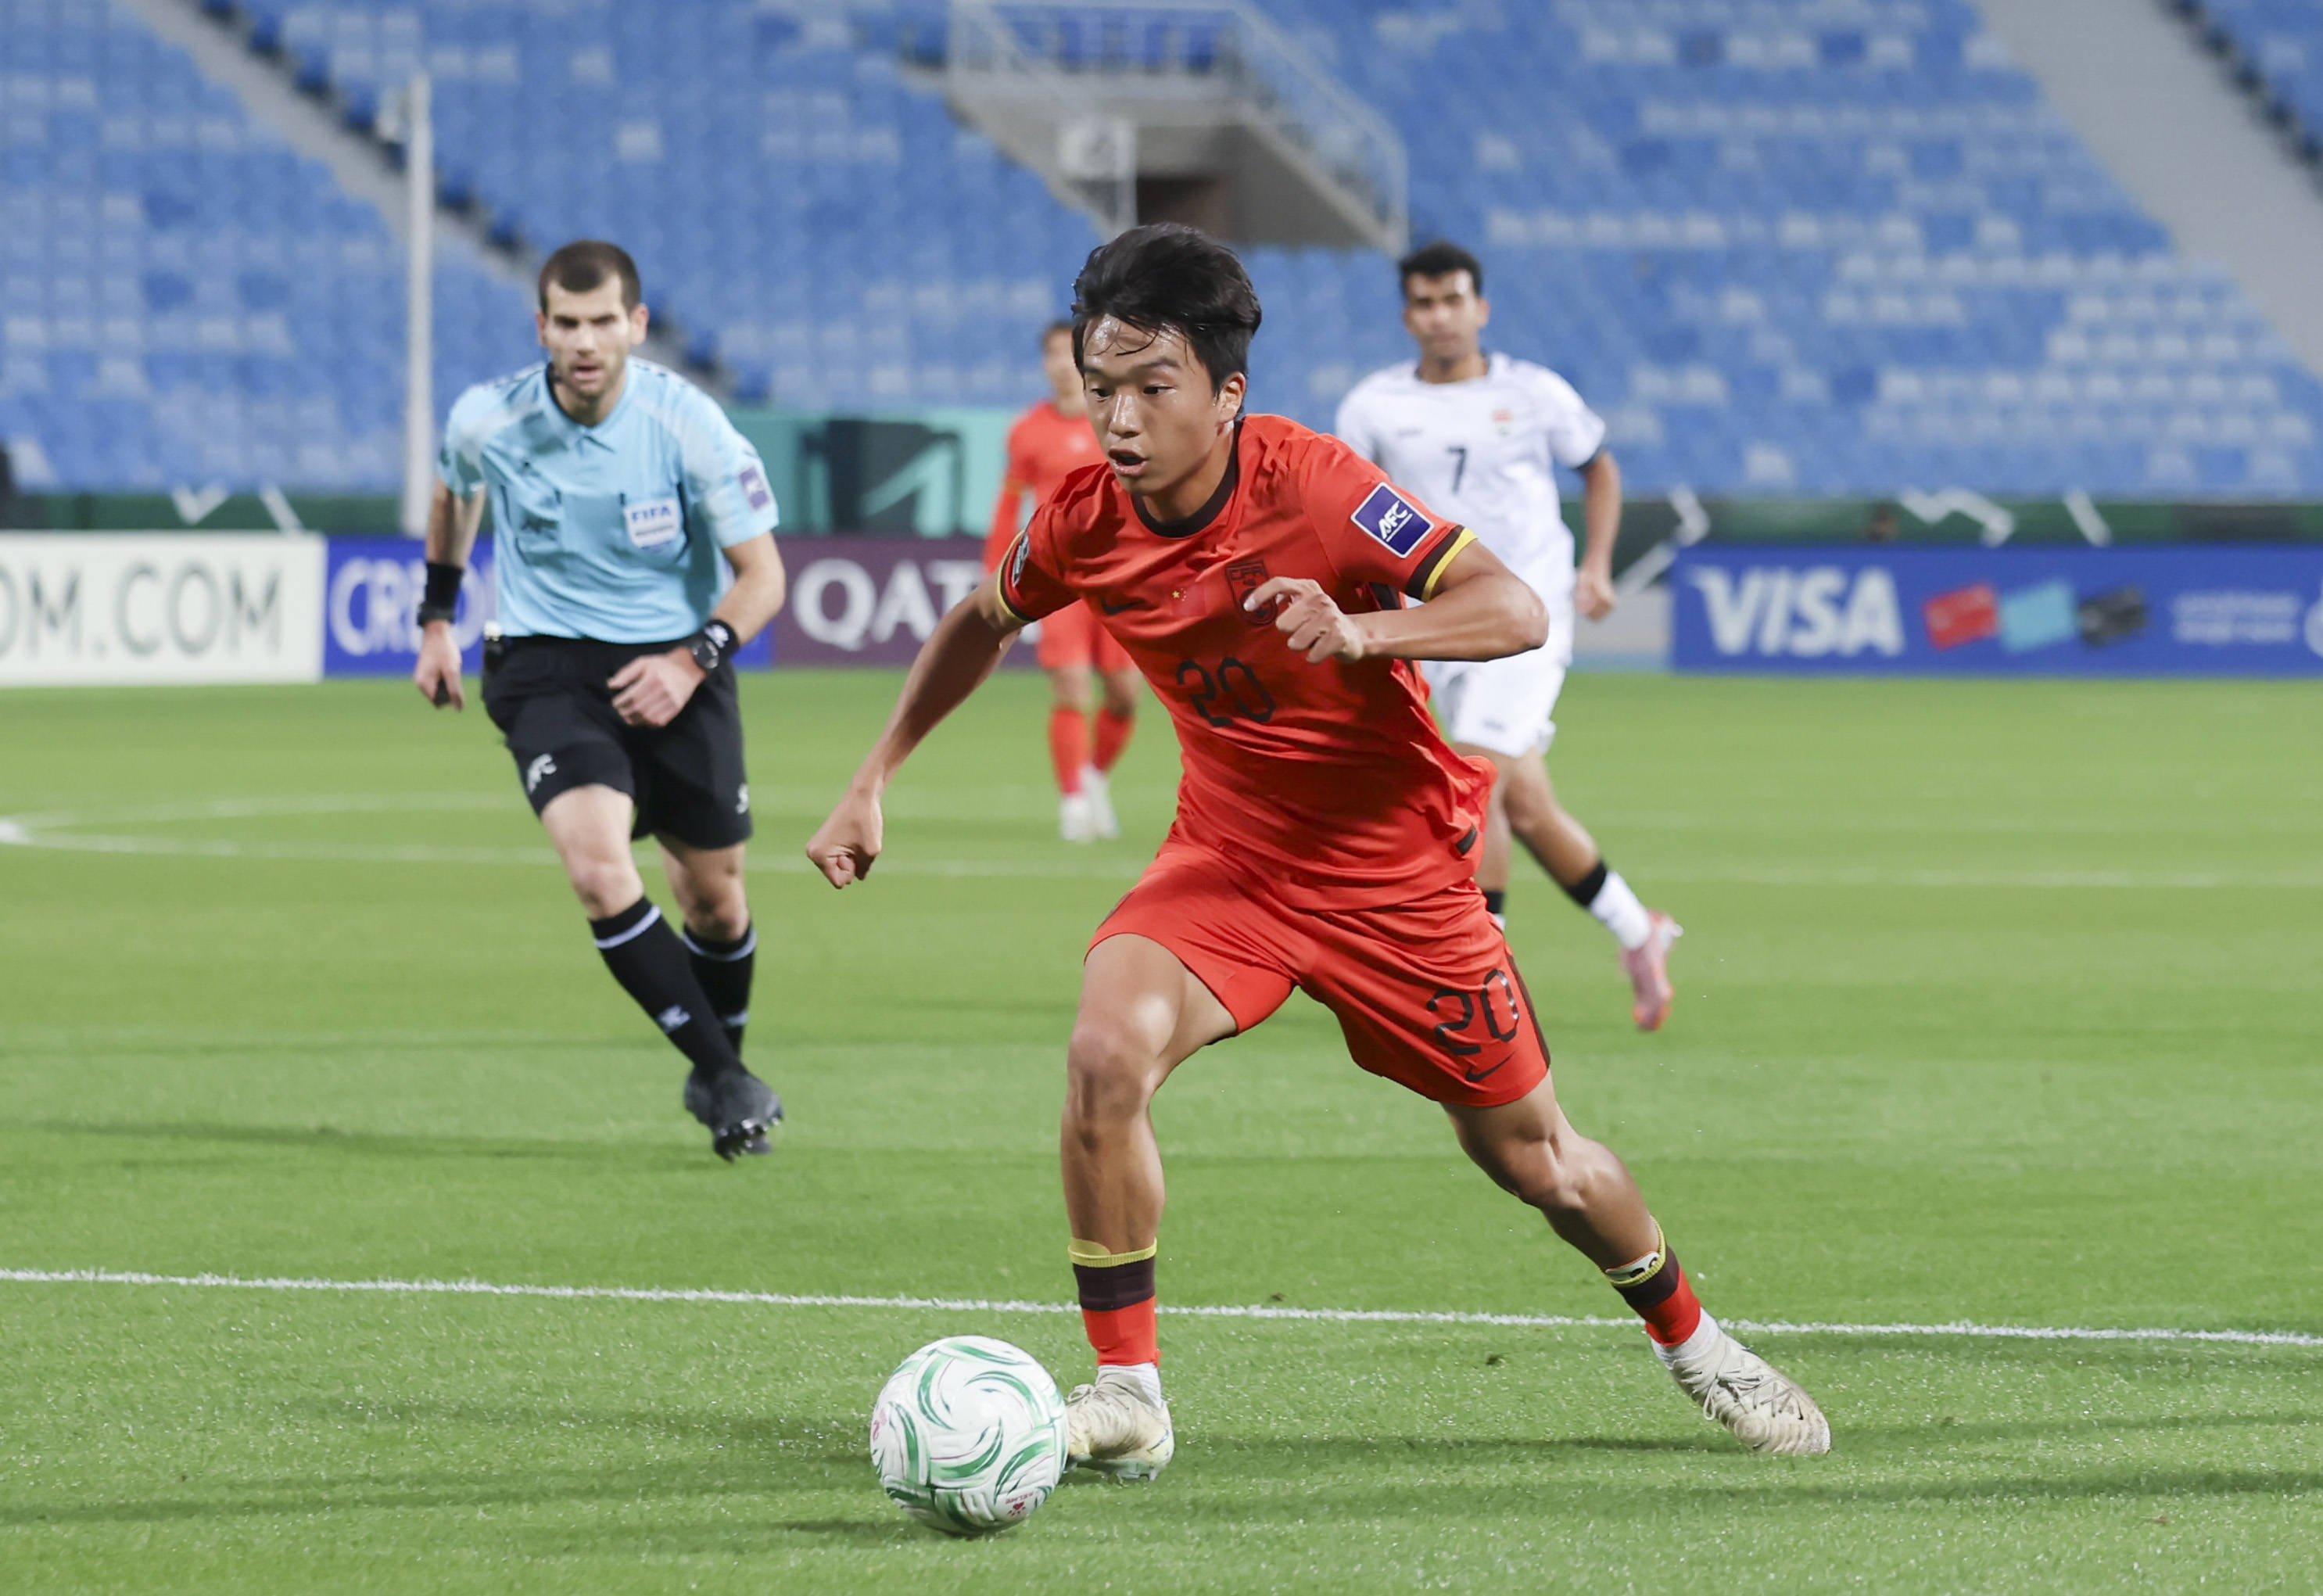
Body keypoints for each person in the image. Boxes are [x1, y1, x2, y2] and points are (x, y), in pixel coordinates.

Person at [808, 224, 1829, 1473]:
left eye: (1150, 387)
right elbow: (980, 619)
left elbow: (1510, 606)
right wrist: (870, 781)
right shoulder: (1082, 517)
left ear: (1228, 393)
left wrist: (1362, 632)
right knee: (1100, 1051)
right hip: (1227, 863)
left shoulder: (1316, 485)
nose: (1116, 418)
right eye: (1097, 384)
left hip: (1392, 878)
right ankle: (1127, 1388)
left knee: (1537, 1161)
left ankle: (1699, 1345)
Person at [414, 239, 789, 1160]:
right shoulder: (484, 419)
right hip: (546, 666)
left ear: (636, 325)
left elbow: (763, 578)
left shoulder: (689, 425)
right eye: (566, 323)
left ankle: (719, 1073)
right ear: (541, 326)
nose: (585, 341)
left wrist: (691, 660)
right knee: (596, 868)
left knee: (715, 900)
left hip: (679, 659)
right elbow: (454, 497)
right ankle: (730, 1076)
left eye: (602, 322)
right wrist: (436, 617)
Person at [1336, 241, 1683, 1031]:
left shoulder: (1534, 394)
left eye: (1454, 300)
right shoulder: (1372, 407)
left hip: (1526, 614)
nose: (1440, 316)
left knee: (1479, 773)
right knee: (1522, 801)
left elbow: (1598, 468)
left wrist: (1594, 565)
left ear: (1480, 308)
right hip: (1432, 619)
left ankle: (1478, 964)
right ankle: (1639, 929)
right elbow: (1352, 509)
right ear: (1407, 315)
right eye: (1425, 303)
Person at [985, 321, 1139, 841]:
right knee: (1070, 685)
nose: (1058, 363)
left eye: (1066, 353)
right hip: (1059, 577)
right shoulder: (1028, 430)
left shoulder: (1121, 417)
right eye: (1049, 353)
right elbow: (1007, 508)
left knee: (1123, 695)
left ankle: (1094, 777)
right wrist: (995, 576)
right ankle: (1072, 799)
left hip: (1122, 575)